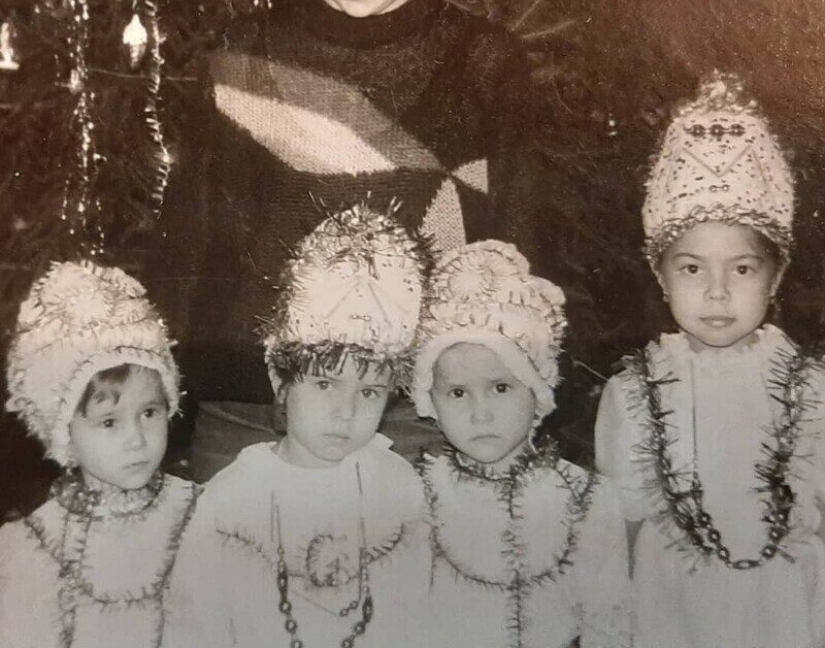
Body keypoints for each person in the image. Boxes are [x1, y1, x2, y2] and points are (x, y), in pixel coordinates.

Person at [153, 0, 544, 479]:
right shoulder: (247, 55)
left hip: (423, 408)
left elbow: (519, 247)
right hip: (254, 406)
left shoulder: (482, 63)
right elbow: (190, 243)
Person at [595, 73, 825, 648]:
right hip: (672, 606)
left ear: (774, 279)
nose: (716, 292)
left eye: (742, 269)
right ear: (661, 277)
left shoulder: (812, 388)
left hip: (785, 605)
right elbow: (617, 522)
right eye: (692, 268)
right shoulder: (632, 392)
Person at [163, 203, 431, 648]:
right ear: (280, 379)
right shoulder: (229, 498)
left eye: (369, 392)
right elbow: (192, 626)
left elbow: (418, 614)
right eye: (326, 384)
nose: (346, 411)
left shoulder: (398, 486)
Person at [412, 240, 630, 648]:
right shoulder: (416, 496)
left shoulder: (586, 498)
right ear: (432, 403)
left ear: (537, 392)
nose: (481, 414)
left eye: (500, 387)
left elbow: (609, 619)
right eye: (458, 393)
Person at [0, 260, 199, 648]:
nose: (137, 439)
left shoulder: (202, 512)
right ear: (65, 431)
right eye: (109, 422)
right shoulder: (31, 546)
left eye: (149, 413)